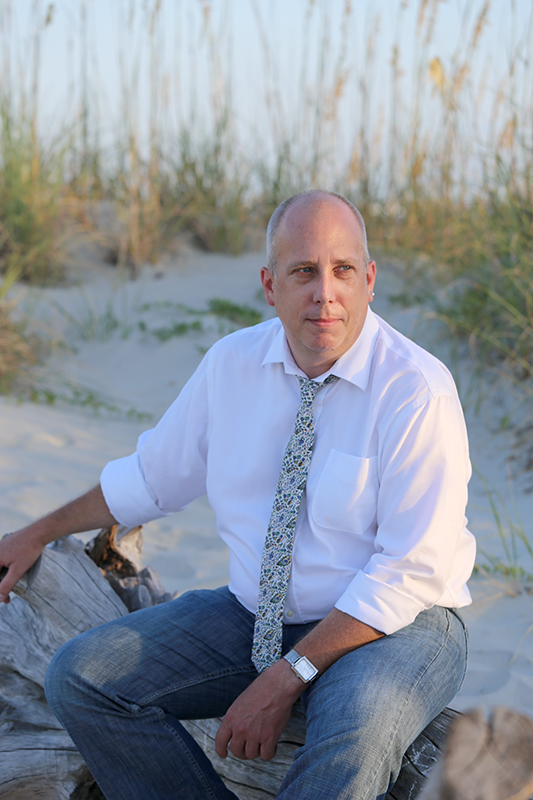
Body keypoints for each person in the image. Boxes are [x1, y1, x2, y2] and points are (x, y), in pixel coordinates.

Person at [0, 190, 475, 800]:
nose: (324, 292)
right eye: (303, 271)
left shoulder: (416, 389)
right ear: (269, 284)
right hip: (253, 614)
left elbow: (409, 569)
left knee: (354, 732)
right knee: (82, 678)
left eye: (343, 270)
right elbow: (151, 478)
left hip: (398, 625)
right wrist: (38, 532)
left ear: (370, 280)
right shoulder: (231, 365)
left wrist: (287, 676)